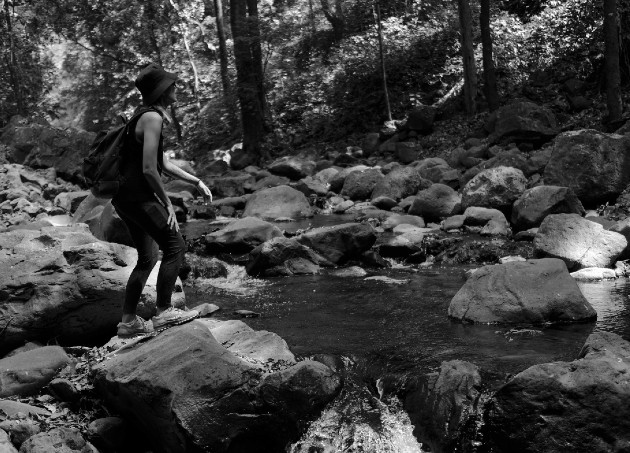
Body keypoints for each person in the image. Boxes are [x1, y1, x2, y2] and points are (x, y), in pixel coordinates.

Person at [113, 63, 212, 337]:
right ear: (161, 90)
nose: (176, 88)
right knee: (175, 246)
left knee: (147, 258)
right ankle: (164, 312)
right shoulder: (152, 119)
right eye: (172, 84)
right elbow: (148, 169)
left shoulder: (142, 115)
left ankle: (128, 322)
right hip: (139, 197)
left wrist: (196, 181)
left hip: (124, 198)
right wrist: (167, 202)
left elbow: (162, 162)